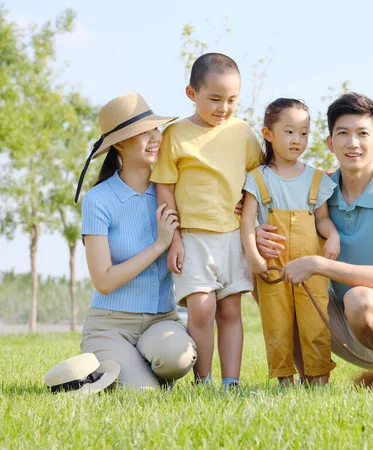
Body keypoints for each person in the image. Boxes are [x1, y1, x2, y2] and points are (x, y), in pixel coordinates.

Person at [256, 93, 373, 373]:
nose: (353, 143)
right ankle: (306, 382)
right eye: (343, 133)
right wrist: (257, 233)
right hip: (349, 324)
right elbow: (268, 203)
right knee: (270, 272)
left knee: (359, 300)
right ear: (330, 143)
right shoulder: (317, 190)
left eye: (362, 134)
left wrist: (319, 264)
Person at [150, 53, 262, 388]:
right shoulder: (176, 135)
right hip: (193, 238)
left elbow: (258, 178)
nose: (223, 108)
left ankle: (231, 383)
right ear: (191, 93)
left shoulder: (243, 132)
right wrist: (175, 240)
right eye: (214, 99)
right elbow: (165, 189)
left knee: (230, 312)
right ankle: (203, 381)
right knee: (201, 310)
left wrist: (251, 210)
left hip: (232, 236)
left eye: (232, 100)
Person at [76, 93, 197, 390]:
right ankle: (110, 369)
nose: (155, 137)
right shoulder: (98, 200)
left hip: (161, 320)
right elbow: (103, 281)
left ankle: (129, 368)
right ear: (119, 143)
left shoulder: (171, 191)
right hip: (110, 327)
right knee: (143, 396)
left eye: (155, 129)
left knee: (177, 359)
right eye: (143, 133)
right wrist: (159, 244)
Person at [241, 98, 339, 385]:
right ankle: (284, 380)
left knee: (315, 322)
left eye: (304, 132)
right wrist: (255, 259)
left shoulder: (316, 178)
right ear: (268, 134)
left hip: (311, 268)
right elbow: (247, 223)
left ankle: (320, 380)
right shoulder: (258, 179)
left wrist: (332, 235)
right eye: (289, 131)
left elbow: (322, 220)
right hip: (273, 266)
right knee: (277, 324)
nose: (298, 140)